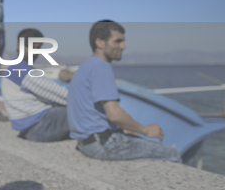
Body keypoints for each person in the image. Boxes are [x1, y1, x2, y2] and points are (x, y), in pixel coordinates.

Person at [67, 20, 182, 162]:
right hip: (102, 144)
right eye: (118, 41)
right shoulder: (102, 68)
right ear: (100, 42)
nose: (123, 46)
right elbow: (114, 114)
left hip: (86, 142)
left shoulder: (85, 67)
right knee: (172, 155)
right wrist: (146, 130)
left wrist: (123, 127)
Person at [1, 29, 71, 142]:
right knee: (83, 108)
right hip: (39, 127)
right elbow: (61, 94)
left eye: (37, 48)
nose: (35, 52)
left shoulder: (14, 66)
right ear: (19, 45)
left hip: (28, 128)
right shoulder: (22, 70)